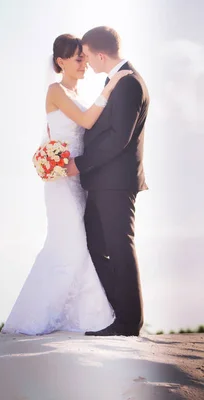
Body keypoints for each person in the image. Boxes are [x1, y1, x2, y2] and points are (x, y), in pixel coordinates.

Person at [1, 33, 132, 335]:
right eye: (77, 57)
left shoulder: (81, 96)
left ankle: (88, 317)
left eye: (84, 56)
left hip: (80, 180)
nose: (84, 61)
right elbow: (86, 122)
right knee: (69, 243)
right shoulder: (55, 91)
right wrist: (111, 87)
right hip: (62, 184)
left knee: (82, 243)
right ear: (61, 62)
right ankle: (42, 318)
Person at [66, 26, 149, 337]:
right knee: (96, 244)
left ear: (100, 55)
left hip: (115, 182)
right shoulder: (116, 81)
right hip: (103, 180)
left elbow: (118, 139)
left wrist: (80, 164)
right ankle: (119, 313)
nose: (85, 62)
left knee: (119, 248)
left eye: (86, 55)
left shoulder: (129, 83)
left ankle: (128, 323)